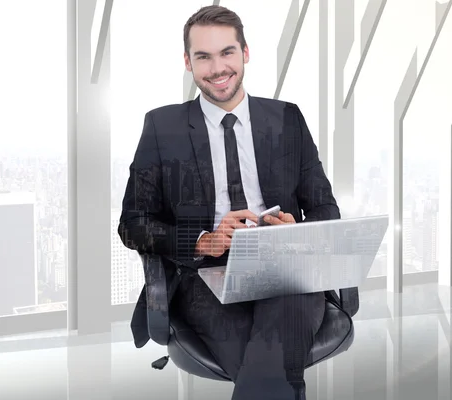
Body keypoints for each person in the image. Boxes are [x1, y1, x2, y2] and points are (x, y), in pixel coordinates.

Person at [118, 5, 341, 400]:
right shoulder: (162, 127)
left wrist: (295, 231)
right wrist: (204, 241)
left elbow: (326, 210)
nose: (217, 68)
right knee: (273, 359)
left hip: (286, 271)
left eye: (227, 53)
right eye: (203, 56)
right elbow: (133, 224)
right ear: (188, 62)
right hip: (204, 277)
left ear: (245, 53)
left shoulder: (287, 119)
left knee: (273, 342)